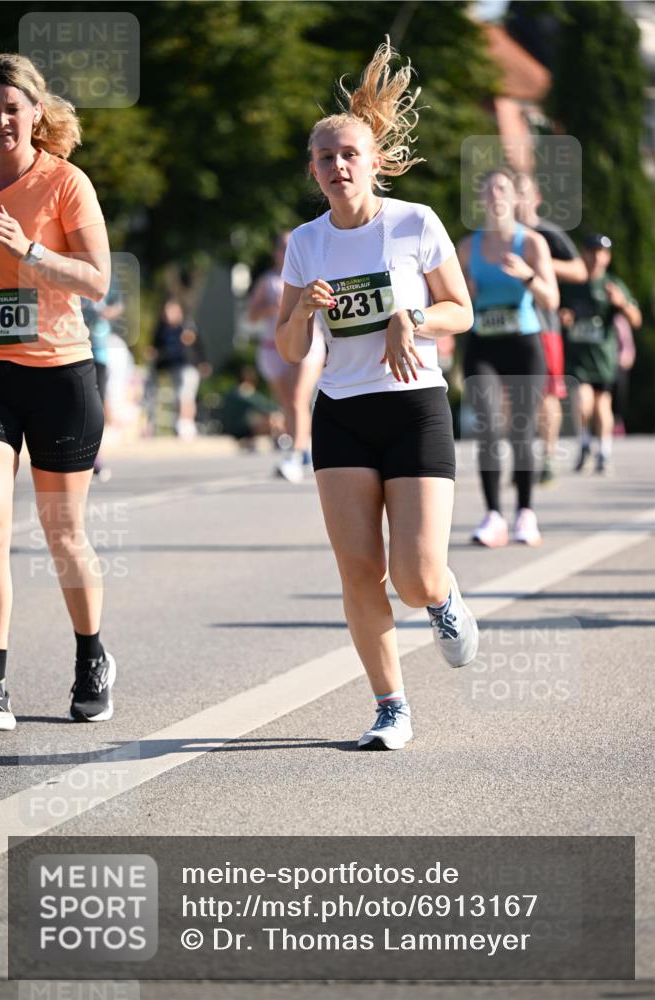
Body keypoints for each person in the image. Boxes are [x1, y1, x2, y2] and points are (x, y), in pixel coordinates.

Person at [276, 39, 479, 751]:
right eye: (325, 158)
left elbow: (461, 308)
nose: (337, 166)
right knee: (359, 571)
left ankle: (442, 598)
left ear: (373, 162)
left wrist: (411, 315)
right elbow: (290, 347)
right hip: (341, 413)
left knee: (414, 573)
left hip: (413, 403)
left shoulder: (414, 224)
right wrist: (303, 311)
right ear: (313, 171)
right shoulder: (306, 243)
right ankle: (389, 705)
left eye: (348, 155)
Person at [0, 53, 115, 729]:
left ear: (36, 114)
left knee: (63, 535)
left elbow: (98, 281)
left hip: (62, 373)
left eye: (12, 107)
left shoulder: (64, 183)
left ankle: (92, 655)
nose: (1, 120)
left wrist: (29, 252)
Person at [457, 167, 559, 547]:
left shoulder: (531, 243)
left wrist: (528, 276)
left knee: (521, 428)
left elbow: (552, 299)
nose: (496, 195)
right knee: (486, 426)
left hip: (524, 342)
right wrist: (465, 289)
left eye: (503, 188)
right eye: (489, 189)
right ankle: (493, 515)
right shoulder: (467, 248)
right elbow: (453, 300)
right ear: (482, 199)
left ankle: (526, 514)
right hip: (484, 343)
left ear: (516, 197)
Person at [514, 172, 587, 485]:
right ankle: (522, 458)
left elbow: (580, 270)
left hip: (543, 325)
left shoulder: (547, 234)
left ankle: (547, 455)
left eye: (521, 193)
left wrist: (539, 262)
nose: (515, 199)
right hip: (508, 326)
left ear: (536, 199)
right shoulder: (498, 236)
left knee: (546, 392)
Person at [560, 233, 642, 474]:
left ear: (607, 257)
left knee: (602, 407)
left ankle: (604, 452)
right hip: (578, 358)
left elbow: (636, 319)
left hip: (604, 359)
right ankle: (585, 443)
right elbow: (558, 310)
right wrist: (564, 316)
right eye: (592, 252)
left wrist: (621, 303)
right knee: (583, 402)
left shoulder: (612, 283)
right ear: (584, 254)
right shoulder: (572, 285)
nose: (596, 257)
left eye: (601, 253)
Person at [248, 232, 326, 483]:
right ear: (275, 252)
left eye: (290, 246)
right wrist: (272, 308)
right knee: (289, 404)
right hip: (274, 348)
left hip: (308, 343)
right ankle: (303, 449)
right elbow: (251, 315)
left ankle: (296, 454)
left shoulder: (311, 275)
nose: (286, 250)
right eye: (282, 246)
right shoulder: (268, 281)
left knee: (297, 398)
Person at [81, 276, 124, 481]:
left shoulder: (104, 275)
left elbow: (118, 305)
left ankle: (96, 456)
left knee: (96, 404)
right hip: (72, 349)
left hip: (99, 351)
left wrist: (107, 313)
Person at [150, 298, 208, 439]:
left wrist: (203, 363)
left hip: (188, 365)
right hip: (172, 366)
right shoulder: (162, 329)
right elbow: (156, 347)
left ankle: (186, 423)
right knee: (178, 395)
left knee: (186, 394)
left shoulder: (188, 325)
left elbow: (198, 345)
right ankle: (182, 423)